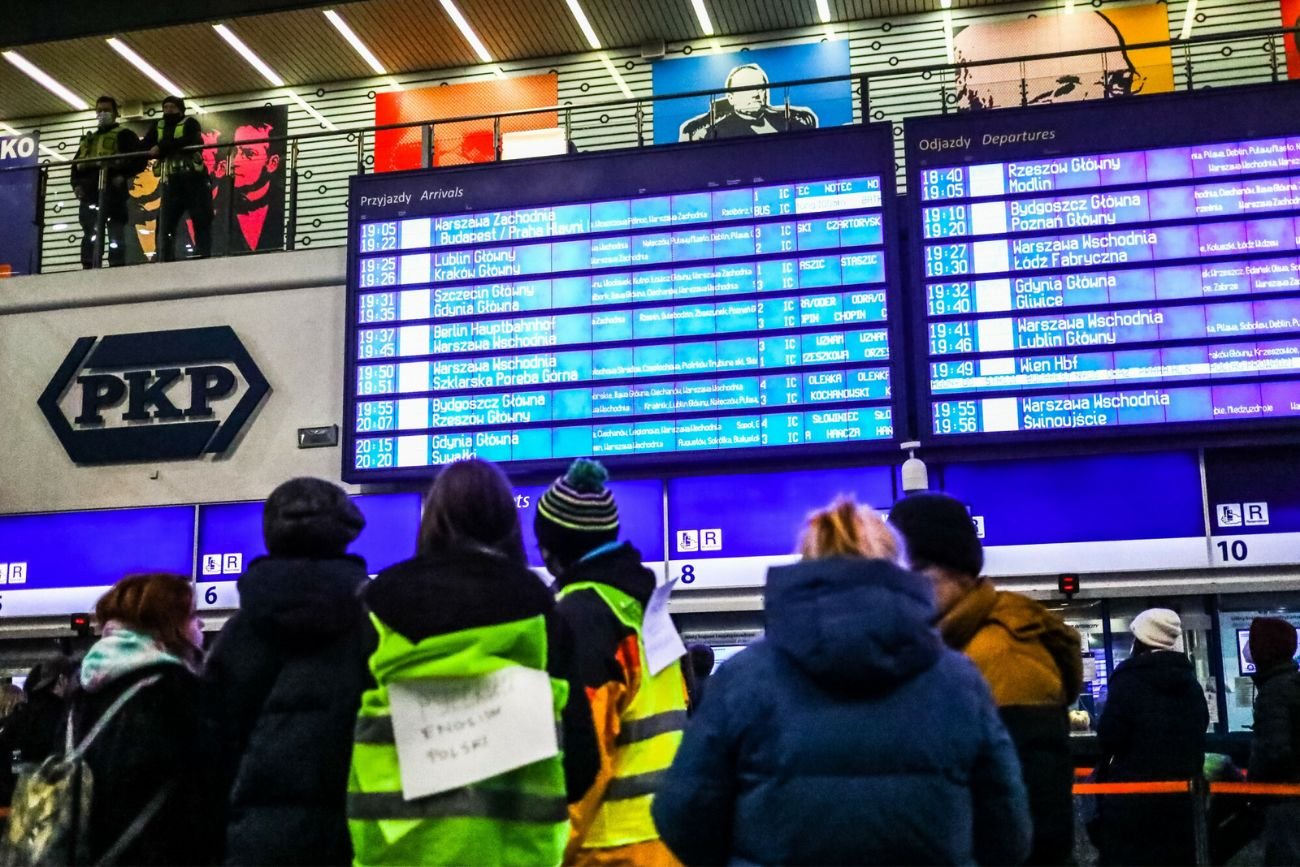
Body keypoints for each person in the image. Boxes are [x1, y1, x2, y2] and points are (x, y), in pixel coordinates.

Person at [652, 497, 1031, 865]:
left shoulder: (742, 680)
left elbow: (682, 817)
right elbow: (1009, 834)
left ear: (806, 565)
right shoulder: (960, 682)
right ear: (897, 569)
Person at [348, 459, 598, 866]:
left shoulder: (376, 604)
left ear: (432, 519)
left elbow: (340, 736)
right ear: (508, 523)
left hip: (395, 853)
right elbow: (581, 765)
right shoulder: (540, 612)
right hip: (513, 855)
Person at [889, 492, 1081, 866]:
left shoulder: (1007, 655)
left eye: (915, 575)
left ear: (958, 573)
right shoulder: (947, 645)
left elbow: (1035, 812)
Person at [203, 478, 373, 865]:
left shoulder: (236, 636)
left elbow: (210, 755)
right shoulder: (375, 628)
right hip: (350, 839)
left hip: (253, 844)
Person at [537, 459, 690, 866]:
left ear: (555, 548)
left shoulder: (582, 616)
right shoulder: (645, 610)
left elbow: (582, 759)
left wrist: (545, 854)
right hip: (666, 843)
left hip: (609, 851)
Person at [67, 573, 207, 866]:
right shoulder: (175, 688)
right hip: (157, 852)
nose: (200, 625)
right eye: (193, 616)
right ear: (170, 625)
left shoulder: (83, 689)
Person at [1094, 609, 1208, 866]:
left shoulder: (1127, 680)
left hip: (1132, 799)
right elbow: (1199, 729)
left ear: (1141, 640)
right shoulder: (1190, 683)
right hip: (1180, 798)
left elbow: (1110, 737)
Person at [1246, 617, 1300, 865]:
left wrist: (1252, 786)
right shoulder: (1291, 684)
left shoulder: (1274, 692)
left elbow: (1274, 751)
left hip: (1283, 799)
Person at [70, 96, 144, 269]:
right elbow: (76, 164)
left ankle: (116, 266)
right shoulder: (88, 139)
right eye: (99, 110)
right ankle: (89, 266)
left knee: (115, 233)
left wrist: (122, 176)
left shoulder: (124, 135)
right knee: (90, 233)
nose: (102, 114)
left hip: (113, 194)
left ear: (116, 113)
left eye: (107, 110)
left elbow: (138, 160)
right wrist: (76, 185)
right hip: (89, 195)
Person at [141, 95, 213, 261]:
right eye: (165, 107)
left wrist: (162, 147)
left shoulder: (190, 123)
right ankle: (165, 257)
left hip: (194, 180)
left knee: (200, 218)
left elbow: (191, 140)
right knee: (165, 222)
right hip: (171, 181)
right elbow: (145, 144)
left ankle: (202, 254)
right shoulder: (158, 126)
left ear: (180, 109)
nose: (168, 110)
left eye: (172, 107)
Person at [678, 64, 819, 141]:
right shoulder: (716, 133)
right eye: (748, 88)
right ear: (730, 98)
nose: (756, 94)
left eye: (761, 88)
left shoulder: (793, 121)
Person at [223, 122, 285, 254]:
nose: (235, 162)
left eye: (248, 153)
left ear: (272, 163)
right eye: (235, 152)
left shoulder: (283, 203)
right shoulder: (221, 205)